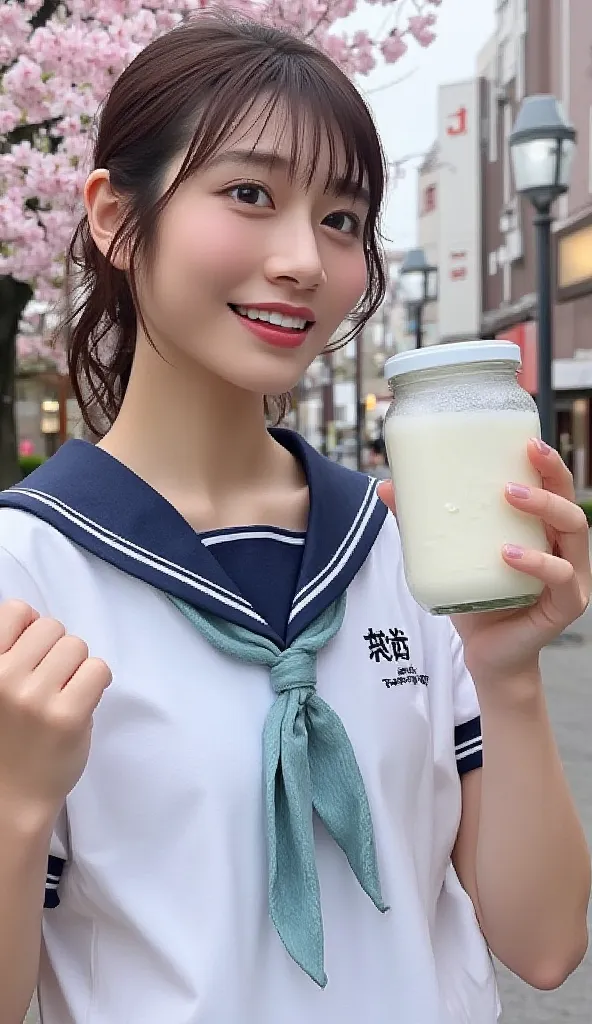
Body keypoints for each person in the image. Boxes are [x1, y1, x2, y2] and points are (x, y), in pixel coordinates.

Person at [0, 14, 590, 1024]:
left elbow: (541, 946)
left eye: (342, 219)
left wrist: (507, 675)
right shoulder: (31, 570)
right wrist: (13, 807)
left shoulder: (399, 544)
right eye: (249, 194)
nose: (303, 261)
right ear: (108, 211)